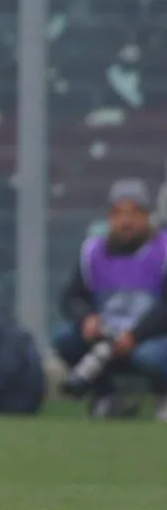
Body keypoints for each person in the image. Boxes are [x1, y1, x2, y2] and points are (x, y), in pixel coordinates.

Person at [56, 178, 167, 420]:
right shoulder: (93, 252)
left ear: (147, 216)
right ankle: (106, 396)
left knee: (150, 356)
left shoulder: (163, 250)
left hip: (150, 338)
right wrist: (86, 318)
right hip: (106, 338)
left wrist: (135, 335)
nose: (126, 222)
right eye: (118, 213)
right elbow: (70, 297)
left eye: (134, 213)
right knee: (64, 337)